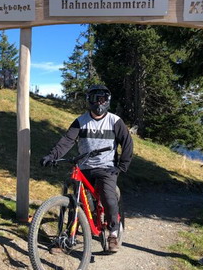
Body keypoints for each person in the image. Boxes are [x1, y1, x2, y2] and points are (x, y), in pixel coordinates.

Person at [40, 84, 133, 252]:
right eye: (96, 99)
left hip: (106, 168)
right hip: (84, 167)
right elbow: (67, 141)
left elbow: (127, 143)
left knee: (108, 196)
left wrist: (121, 167)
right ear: (89, 100)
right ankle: (70, 236)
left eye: (103, 99)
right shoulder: (80, 121)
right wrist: (52, 156)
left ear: (107, 101)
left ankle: (113, 233)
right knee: (76, 201)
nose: (99, 102)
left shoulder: (115, 121)